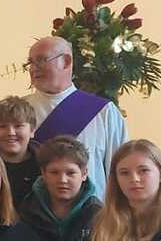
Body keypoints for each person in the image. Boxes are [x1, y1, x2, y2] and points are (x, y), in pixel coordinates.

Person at [23, 36, 126, 198]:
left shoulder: (104, 112)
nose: (33, 68)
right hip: (31, 211)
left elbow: (120, 171)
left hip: (93, 211)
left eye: (41, 60)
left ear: (66, 61)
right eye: (31, 62)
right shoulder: (19, 111)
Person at [0, 95, 41, 208]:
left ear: (32, 130)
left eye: (18, 126)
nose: (11, 133)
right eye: (2, 126)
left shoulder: (46, 166)